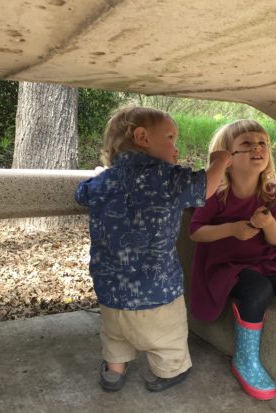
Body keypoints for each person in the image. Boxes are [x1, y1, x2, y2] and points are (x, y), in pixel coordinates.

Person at [75, 106, 231, 393]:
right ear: (142, 137)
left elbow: (81, 193)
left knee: (115, 336)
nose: (176, 147)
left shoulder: (101, 182)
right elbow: (202, 188)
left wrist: (102, 176)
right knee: (167, 338)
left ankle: (115, 370)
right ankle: (170, 370)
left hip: (110, 290)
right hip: (157, 290)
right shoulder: (166, 177)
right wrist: (220, 162)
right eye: (170, 137)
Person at [189, 119, 276, 400]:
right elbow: (196, 231)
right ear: (227, 157)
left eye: (262, 143)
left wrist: (267, 223)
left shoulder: (270, 194)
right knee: (258, 289)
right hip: (227, 268)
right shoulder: (216, 194)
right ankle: (245, 359)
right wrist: (231, 229)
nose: (257, 147)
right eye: (246, 144)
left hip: (267, 261)